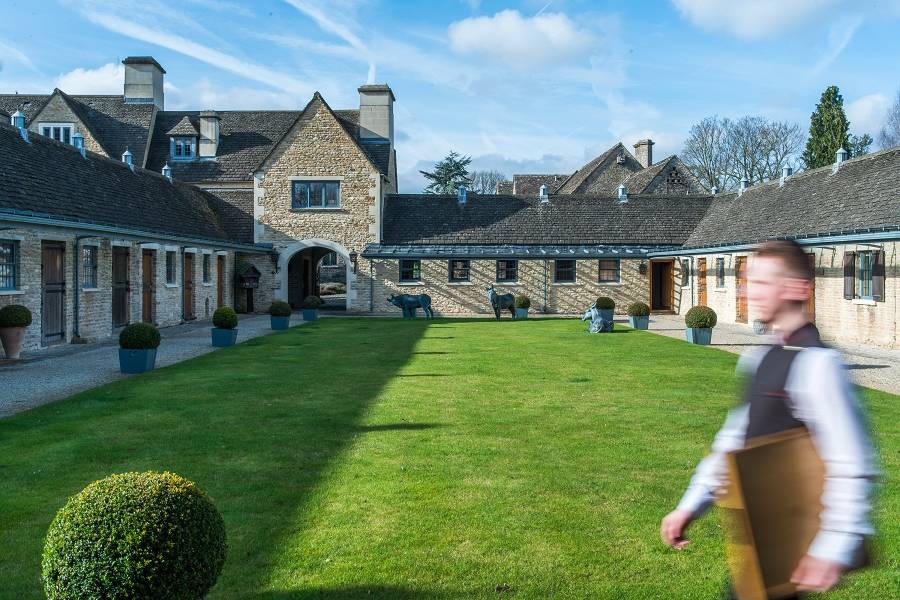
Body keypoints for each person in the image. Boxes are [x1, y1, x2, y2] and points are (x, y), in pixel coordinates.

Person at [660, 240, 878, 596]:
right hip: (761, 540)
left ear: (796, 288)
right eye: (747, 281)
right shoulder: (759, 357)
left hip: (796, 545)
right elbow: (731, 442)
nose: (747, 291)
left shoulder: (818, 365)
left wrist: (832, 548)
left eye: (760, 283)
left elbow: (852, 464)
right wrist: (691, 505)